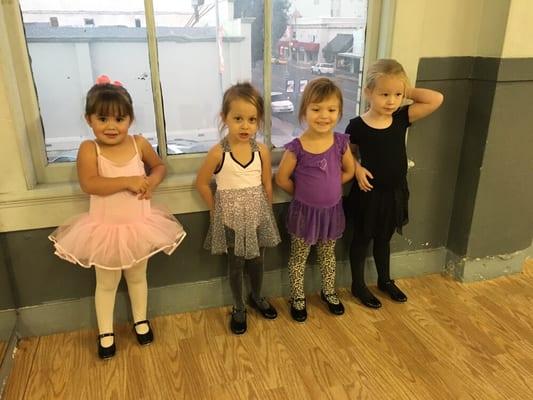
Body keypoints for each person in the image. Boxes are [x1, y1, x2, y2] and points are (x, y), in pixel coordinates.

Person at [49, 75, 186, 359]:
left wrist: (152, 181)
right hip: (105, 231)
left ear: (130, 120)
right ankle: (105, 331)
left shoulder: (139, 144)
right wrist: (128, 181)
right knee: (107, 283)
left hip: (139, 226)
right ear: (89, 119)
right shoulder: (90, 148)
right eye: (103, 119)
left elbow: (159, 166)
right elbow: (90, 183)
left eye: (120, 119)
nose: (112, 126)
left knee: (138, 277)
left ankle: (140, 320)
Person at [345, 58, 444, 308]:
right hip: (368, 193)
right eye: (384, 94)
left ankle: (384, 280)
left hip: (395, 192)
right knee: (362, 238)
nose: (391, 100)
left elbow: (436, 99)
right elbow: (345, 153)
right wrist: (356, 168)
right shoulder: (357, 125)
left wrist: (404, 88)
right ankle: (358, 285)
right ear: (368, 93)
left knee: (384, 238)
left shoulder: (401, 117)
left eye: (397, 94)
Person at [196, 82, 280, 335]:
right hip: (230, 219)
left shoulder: (262, 151)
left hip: (257, 217)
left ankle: (257, 296)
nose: (245, 125)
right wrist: (215, 210)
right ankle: (238, 306)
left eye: (252, 119)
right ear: (225, 118)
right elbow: (201, 183)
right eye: (238, 118)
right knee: (235, 264)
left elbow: (266, 182)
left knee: (257, 261)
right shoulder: (218, 152)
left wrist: (268, 212)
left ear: (259, 121)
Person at [276, 78, 355, 322]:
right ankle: (297, 297)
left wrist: (330, 186)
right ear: (304, 111)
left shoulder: (341, 143)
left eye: (331, 110)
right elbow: (281, 178)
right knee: (299, 258)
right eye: (316, 109)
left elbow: (349, 171)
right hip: (304, 214)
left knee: (327, 254)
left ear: (339, 112)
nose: (324, 116)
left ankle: (328, 291)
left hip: (331, 213)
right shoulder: (297, 147)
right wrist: (302, 193)